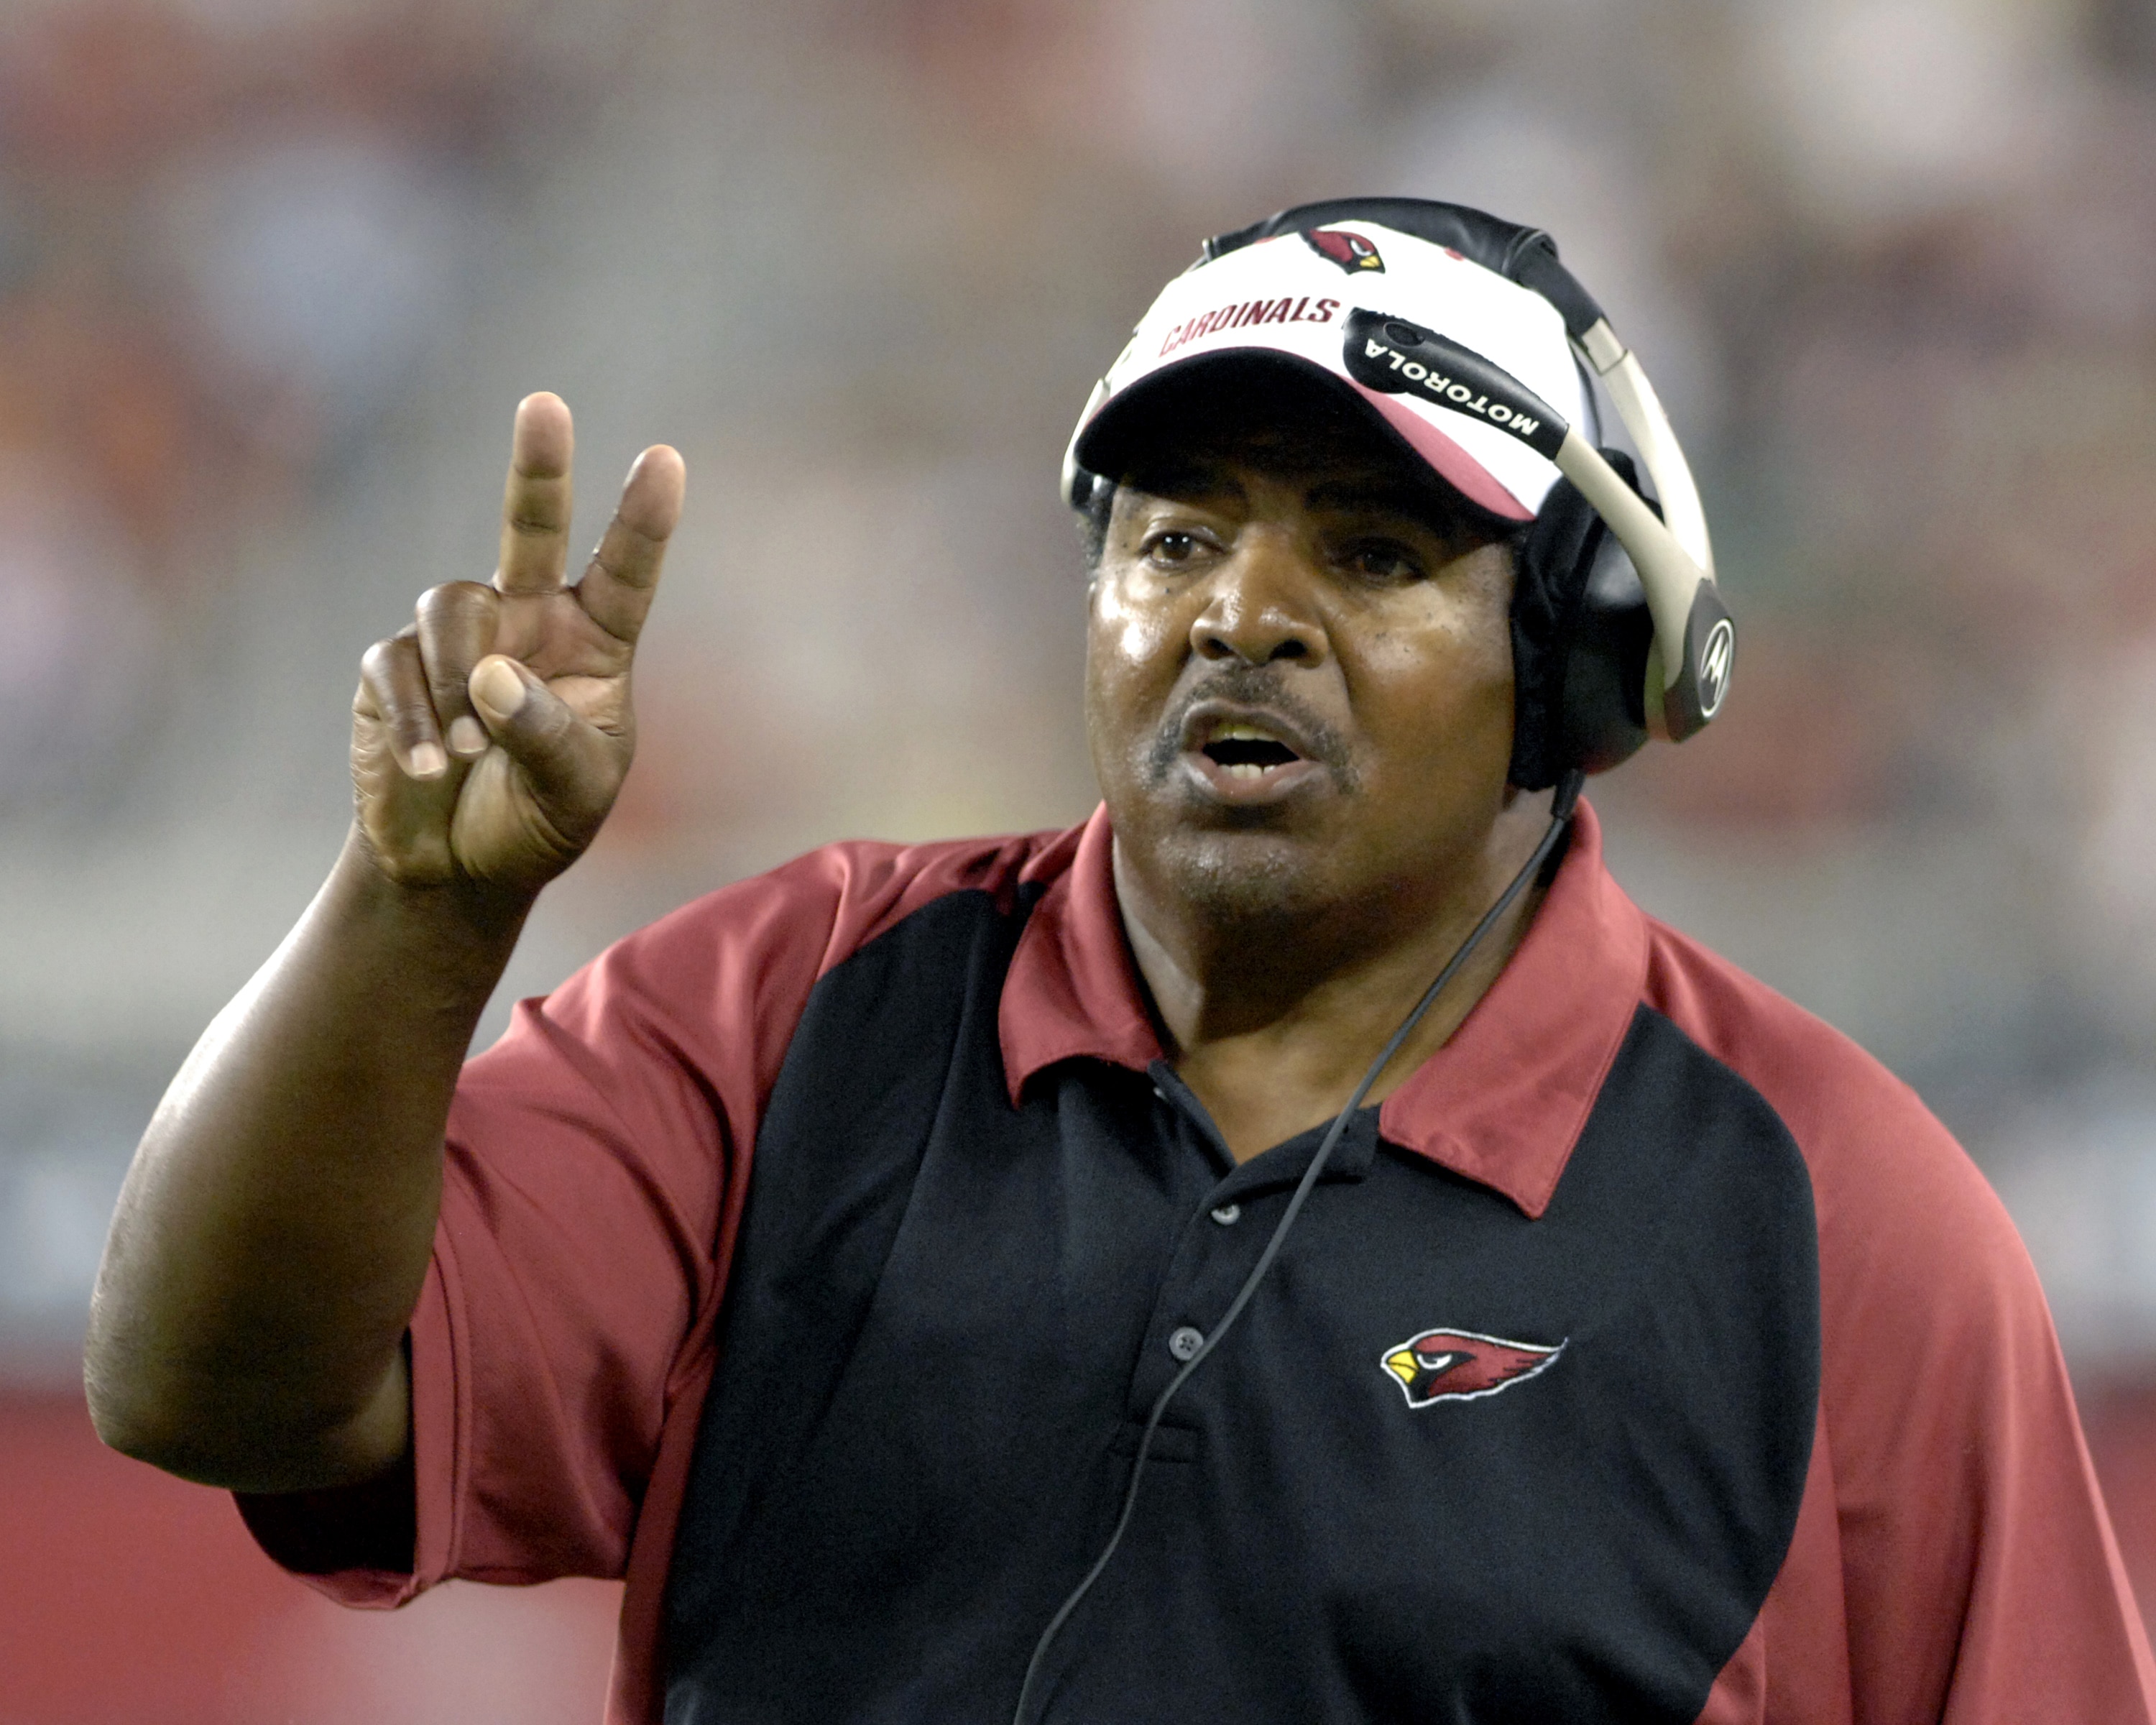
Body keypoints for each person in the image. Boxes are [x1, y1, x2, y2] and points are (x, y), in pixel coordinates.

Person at [85, 199, 2156, 1724]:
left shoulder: (1839, 1227)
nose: (1237, 613)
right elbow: (213, 1387)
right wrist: (418, 915)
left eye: (1366, 550)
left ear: (1584, 651)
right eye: (1174, 537)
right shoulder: (801, 1004)